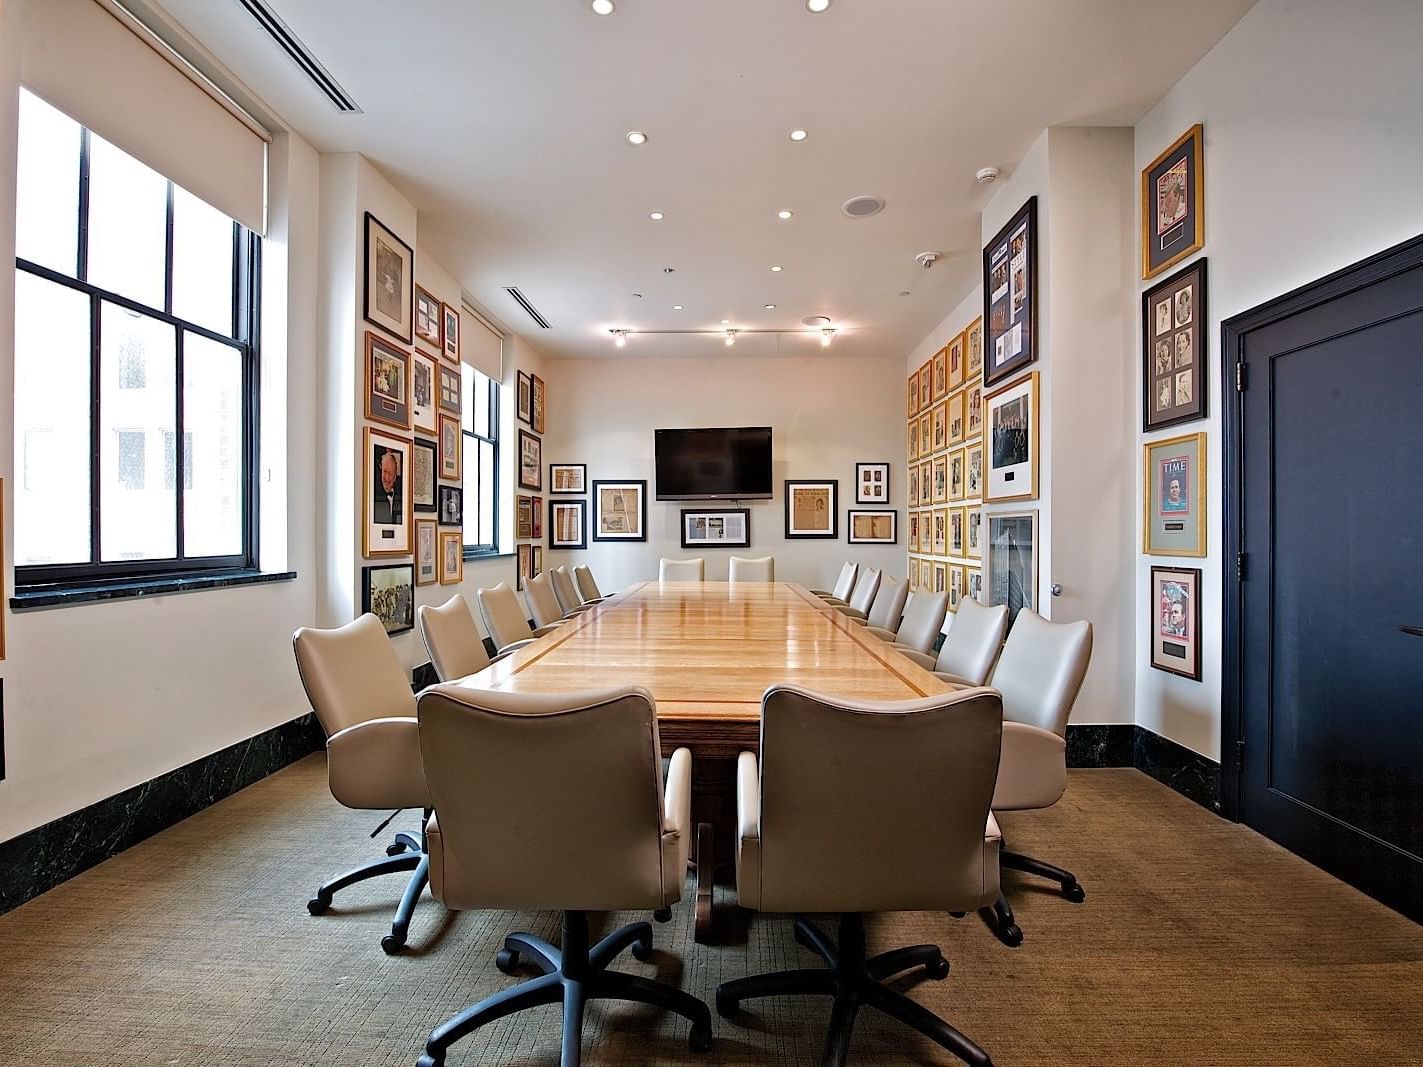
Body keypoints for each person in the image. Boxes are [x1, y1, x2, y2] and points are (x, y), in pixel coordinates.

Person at [373, 449, 402, 525]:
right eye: (384, 471)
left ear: (395, 477)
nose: (386, 477)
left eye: (390, 473)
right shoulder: (373, 495)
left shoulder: (401, 497)